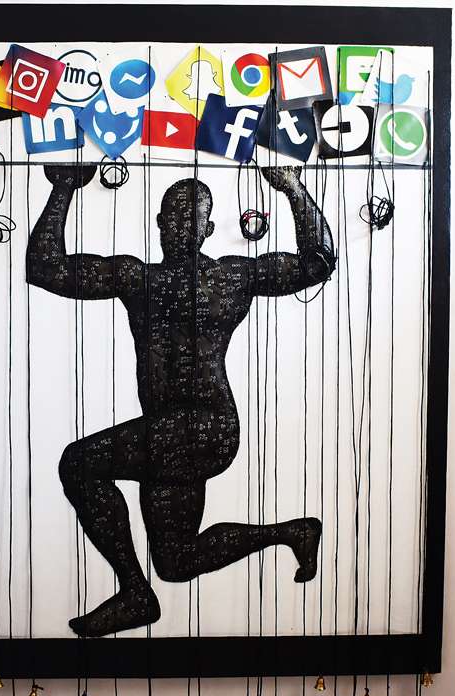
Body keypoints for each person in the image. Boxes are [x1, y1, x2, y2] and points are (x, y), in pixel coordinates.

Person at [28, 164, 336, 637]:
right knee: (176, 562)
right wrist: (64, 187)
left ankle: (135, 592)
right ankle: (292, 532)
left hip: (206, 428)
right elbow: (45, 269)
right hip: (175, 435)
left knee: (79, 464)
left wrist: (293, 187)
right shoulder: (137, 277)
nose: (179, 226)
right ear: (158, 223)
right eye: (172, 216)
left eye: (189, 219)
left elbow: (317, 263)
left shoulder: (230, 277)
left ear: (208, 230)